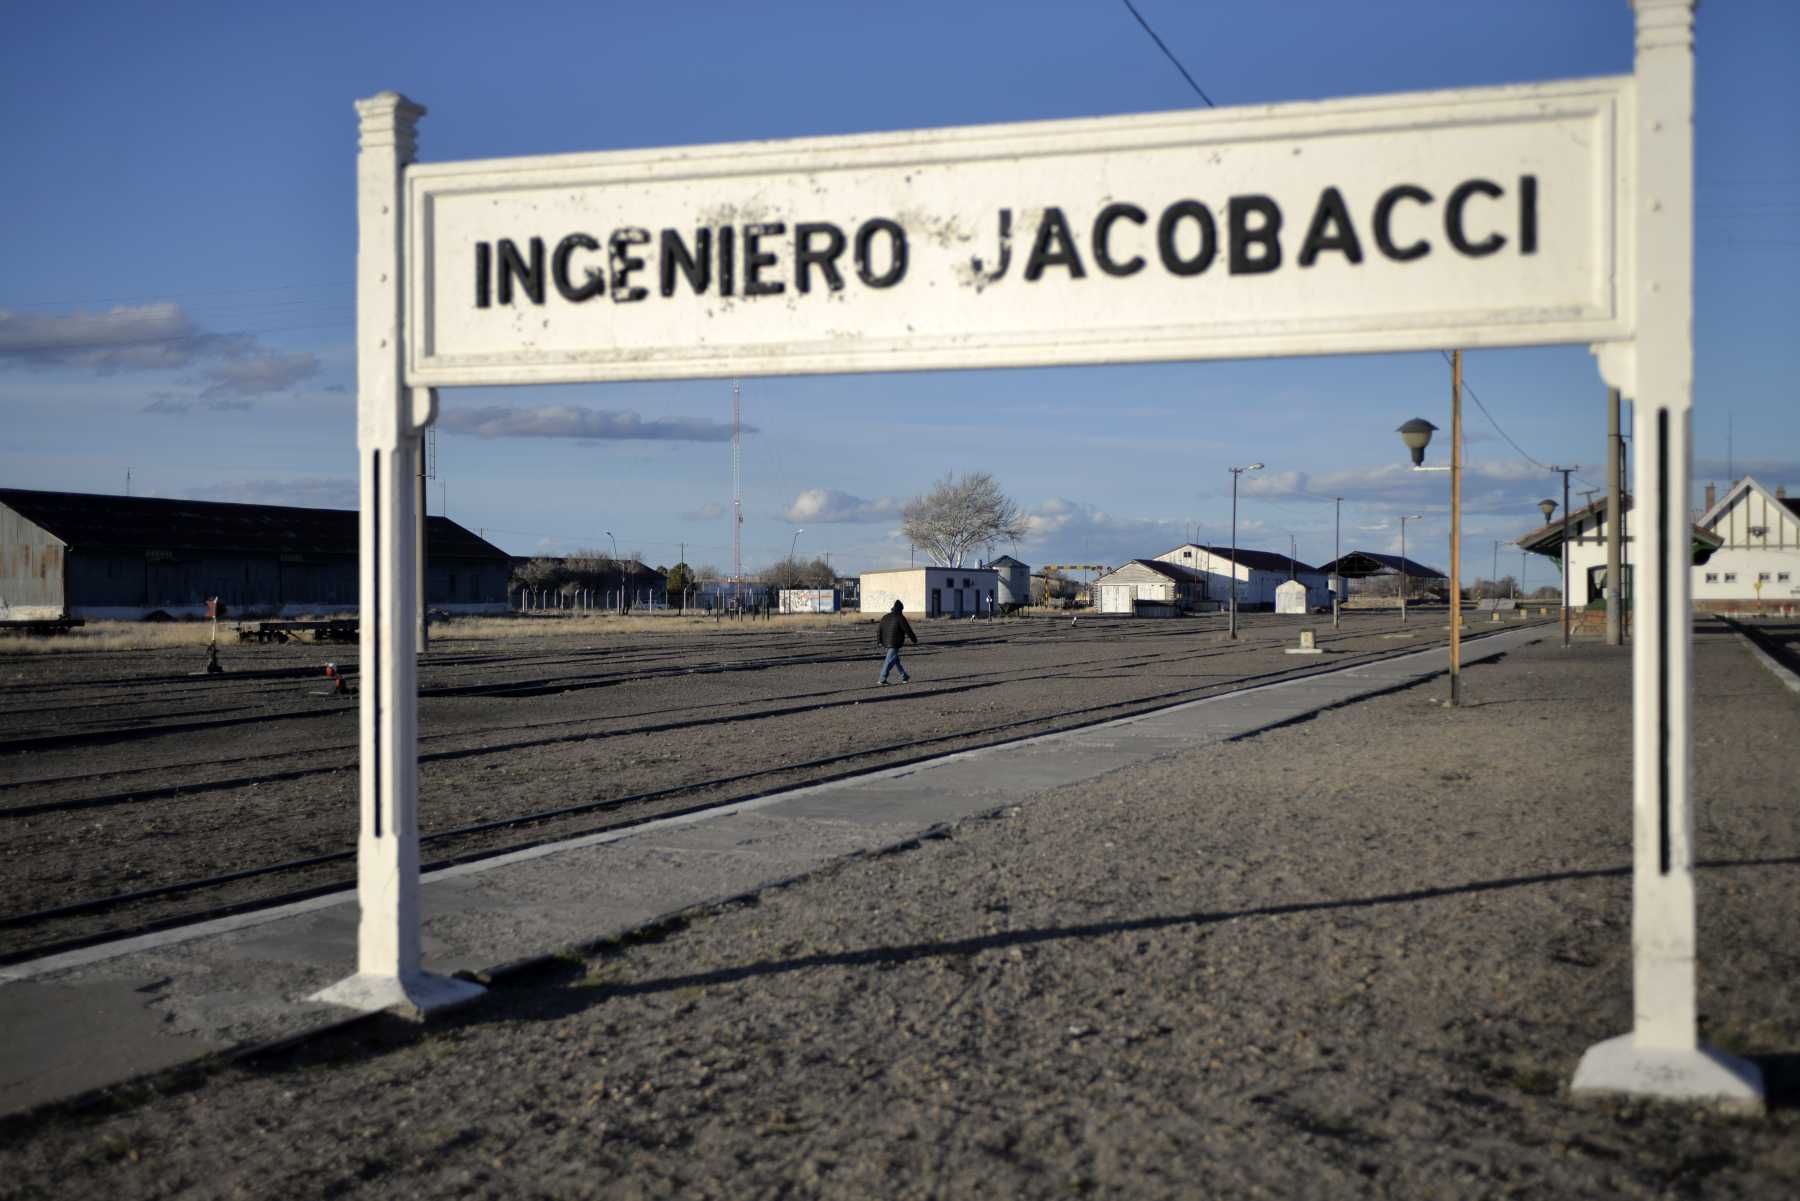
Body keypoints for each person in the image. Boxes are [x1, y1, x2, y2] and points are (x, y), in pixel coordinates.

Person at [876, 599, 916, 684]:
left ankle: (904, 676)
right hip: (895, 643)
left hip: (885, 642)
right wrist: (914, 639)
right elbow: (908, 630)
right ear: (900, 609)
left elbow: (879, 629)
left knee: (895, 660)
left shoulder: (885, 616)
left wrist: (879, 641)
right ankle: (882, 679)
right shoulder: (900, 617)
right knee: (889, 661)